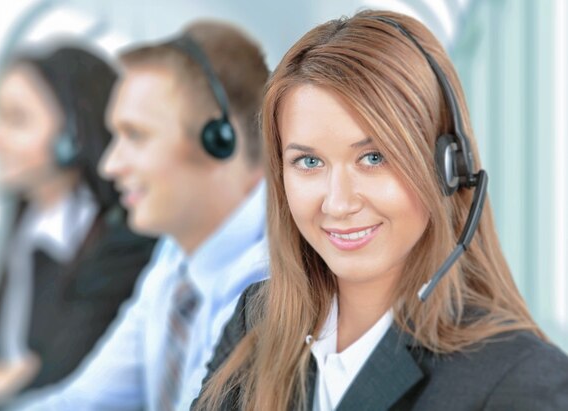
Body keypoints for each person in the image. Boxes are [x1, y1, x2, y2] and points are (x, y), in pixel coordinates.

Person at [194, 10, 568, 411]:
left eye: (374, 158)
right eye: (309, 162)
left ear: (447, 168)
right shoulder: (259, 321)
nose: (338, 202)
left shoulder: (520, 380)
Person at [12, 20, 269, 411]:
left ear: (219, 140)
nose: (109, 165)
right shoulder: (174, 260)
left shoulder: (276, 284)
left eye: (135, 135)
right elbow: (81, 401)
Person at [0, 44, 156, 408]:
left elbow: (58, 378)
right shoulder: (29, 219)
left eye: (17, 119)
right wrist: (2, 380)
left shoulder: (120, 240)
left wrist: (1, 378)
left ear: (72, 135)